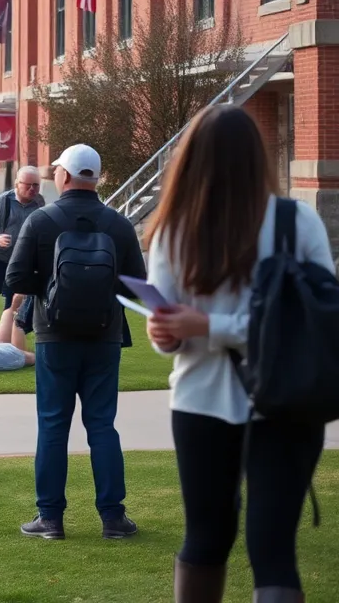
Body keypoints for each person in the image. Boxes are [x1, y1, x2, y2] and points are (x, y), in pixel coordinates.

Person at [143, 106, 333, 603]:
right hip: (285, 403)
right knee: (272, 548)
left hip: (206, 403)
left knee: (207, 538)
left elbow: (173, 336)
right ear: (258, 156)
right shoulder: (298, 221)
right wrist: (170, 332)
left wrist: (194, 329)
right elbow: (319, 318)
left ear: (193, 159)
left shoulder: (173, 230)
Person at [6, 144, 146, 540]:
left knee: (52, 425)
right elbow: (136, 284)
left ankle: (50, 519)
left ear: (63, 176)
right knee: (102, 425)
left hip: (54, 336)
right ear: (96, 177)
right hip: (105, 337)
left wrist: (52, 291)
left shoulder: (41, 220)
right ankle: (113, 518)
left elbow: (15, 280)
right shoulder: (118, 224)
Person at [0, 166, 44, 340]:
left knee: (13, 297)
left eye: (36, 185)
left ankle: (7, 335)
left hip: (22, 260)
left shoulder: (40, 203)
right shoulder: (2, 201)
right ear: (17, 183)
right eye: (27, 185)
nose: (32, 189)